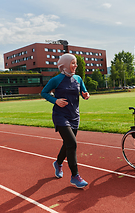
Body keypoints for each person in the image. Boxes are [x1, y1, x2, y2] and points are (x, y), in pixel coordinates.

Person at [41, 53, 90, 188]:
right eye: (73, 63)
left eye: (76, 63)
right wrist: (55, 100)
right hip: (60, 116)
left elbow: (84, 92)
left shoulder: (78, 79)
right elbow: (44, 92)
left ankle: (58, 163)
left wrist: (86, 95)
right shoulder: (56, 80)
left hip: (75, 116)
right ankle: (75, 176)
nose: (75, 65)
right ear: (64, 65)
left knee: (68, 144)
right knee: (72, 144)